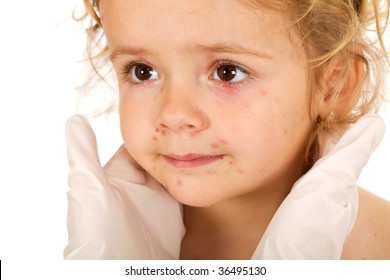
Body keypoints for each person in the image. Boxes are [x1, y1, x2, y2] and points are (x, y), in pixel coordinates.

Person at [64, 0, 390, 259]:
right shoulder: (109, 244)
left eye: (227, 72)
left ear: (334, 85)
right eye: (142, 71)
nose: (174, 115)